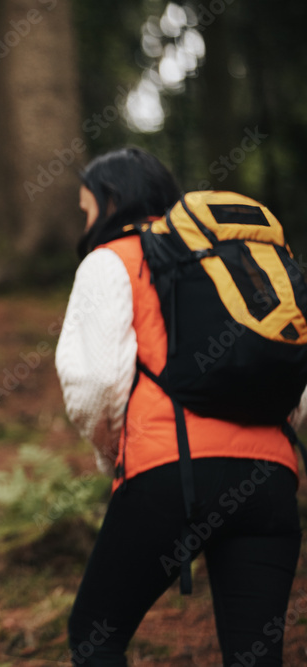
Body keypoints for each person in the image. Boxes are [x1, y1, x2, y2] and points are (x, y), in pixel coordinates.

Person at [55, 147, 304, 665]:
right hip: (272, 479)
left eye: (86, 209)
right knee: (254, 655)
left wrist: (113, 454)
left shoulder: (112, 261)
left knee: (95, 635)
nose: (85, 221)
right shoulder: (232, 263)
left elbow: (97, 380)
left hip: (171, 475)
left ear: (111, 200)